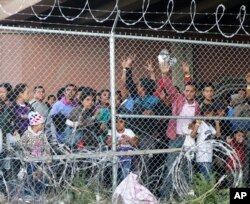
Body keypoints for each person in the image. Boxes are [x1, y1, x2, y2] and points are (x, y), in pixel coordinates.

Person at [159, 62, 200, 200]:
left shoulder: (196, 105)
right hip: (175, 137)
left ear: (195, 93)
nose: (188, 93)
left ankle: (182, 196)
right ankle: (165, 197)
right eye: (186, 91)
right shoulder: (178, 98)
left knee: (185, 168)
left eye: (191, 91)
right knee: (171, 167)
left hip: (187, 139)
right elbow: (170, 88)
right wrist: (165, 74)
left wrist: (193, 127)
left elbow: (196, 121)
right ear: (184, 92)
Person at [20, 111, 50, 198]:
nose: (43, 125)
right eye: (41, 124)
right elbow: (21, 145)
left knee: (39, 178)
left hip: (40, 160)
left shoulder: (42, 134)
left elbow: (46, 146)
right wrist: (26, 154)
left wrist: (47, 157)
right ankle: (27, 194)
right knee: (29, 177)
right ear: (36, 124)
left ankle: (38, 194)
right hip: (30, 160)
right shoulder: (27, 134)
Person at [191, 105, 221, 181]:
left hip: (209, 157)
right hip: (202, 157)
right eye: (212, 114)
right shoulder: (201, 124)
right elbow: (193, 135)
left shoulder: (210, 126)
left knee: (207, 179)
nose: (213, 115)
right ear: (206, 114)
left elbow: (217, 135)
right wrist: (197, 124)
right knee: (208, 179)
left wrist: (217, 123)